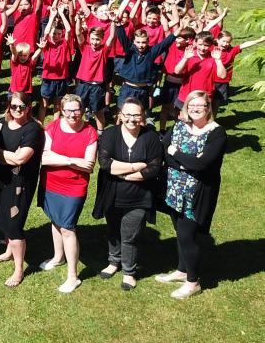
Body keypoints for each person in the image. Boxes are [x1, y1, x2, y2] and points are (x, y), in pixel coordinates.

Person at [156, 90, 227, 299]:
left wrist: (176, 153)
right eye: (191, 105)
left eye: (201, 106)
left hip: (198, 192)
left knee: (187, 234)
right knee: (179, 231)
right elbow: (163, 150)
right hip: (175, 188)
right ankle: (181, 270)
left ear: (209, 108)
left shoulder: (217, 133)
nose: (196, 109)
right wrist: (187, 162)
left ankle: (193, 282)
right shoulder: (179, 125)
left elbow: (202, 164)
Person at [92, 98, 164, 291]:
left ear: (142, 117)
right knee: (113, 230)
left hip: (139, 197)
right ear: (120, 115)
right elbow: (106, 163)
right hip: (112, 194)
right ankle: (113, 262)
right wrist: (134, 167)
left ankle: (129, 272)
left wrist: (122, 174)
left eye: (136, 115)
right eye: (128, 114)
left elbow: (154, 168)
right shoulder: (110, 134)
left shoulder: (151, 137)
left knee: (129, 235)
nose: (132, 119)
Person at [39, 93, 99, 293]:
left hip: (74, 187)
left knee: (67, 228)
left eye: (77, 110)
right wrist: (73, 161)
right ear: (62, 111)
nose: (73, 114)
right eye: (69, 110)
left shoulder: (90, 132)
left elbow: (89, 165)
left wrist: (58, 157)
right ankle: (58, 257)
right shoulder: (52, 127)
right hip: (51, 183)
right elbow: (44, 159)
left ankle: (73, 277)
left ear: (82, 110)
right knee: (55, 221)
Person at [0, 90, 44, 287]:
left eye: (22, 106)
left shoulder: (33, 130)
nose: (18, 110)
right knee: (2, 217)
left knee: (14, 224)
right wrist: (8, 156)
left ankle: (19, 270)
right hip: (2, 179)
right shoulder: (1, 124)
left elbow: (21, 159)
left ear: (28, 108)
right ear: (8, 107)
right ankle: (8, 252)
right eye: (14, 106)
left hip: (21, 183)